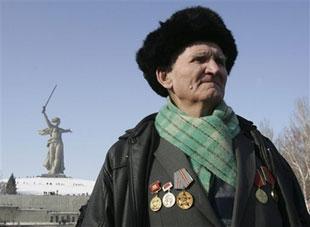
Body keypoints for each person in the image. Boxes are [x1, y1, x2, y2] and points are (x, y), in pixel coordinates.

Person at [78, 6, 310, 227]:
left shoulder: (261, 150)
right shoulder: (127, 158)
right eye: (200, 59)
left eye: (220, 61)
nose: (215, 69)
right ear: (165, 77)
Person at [39, 106, 72, 175]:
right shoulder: (51, 127)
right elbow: (47, 121)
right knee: (51, 157)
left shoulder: (60, 129)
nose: (57, 123)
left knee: (58, 156)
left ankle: (55, 170)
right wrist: (44, 113)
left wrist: (69, 130)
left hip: (59, 143)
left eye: (58, 122)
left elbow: (65, 130)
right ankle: (51, 170)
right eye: (57, 121)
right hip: (52, 143)